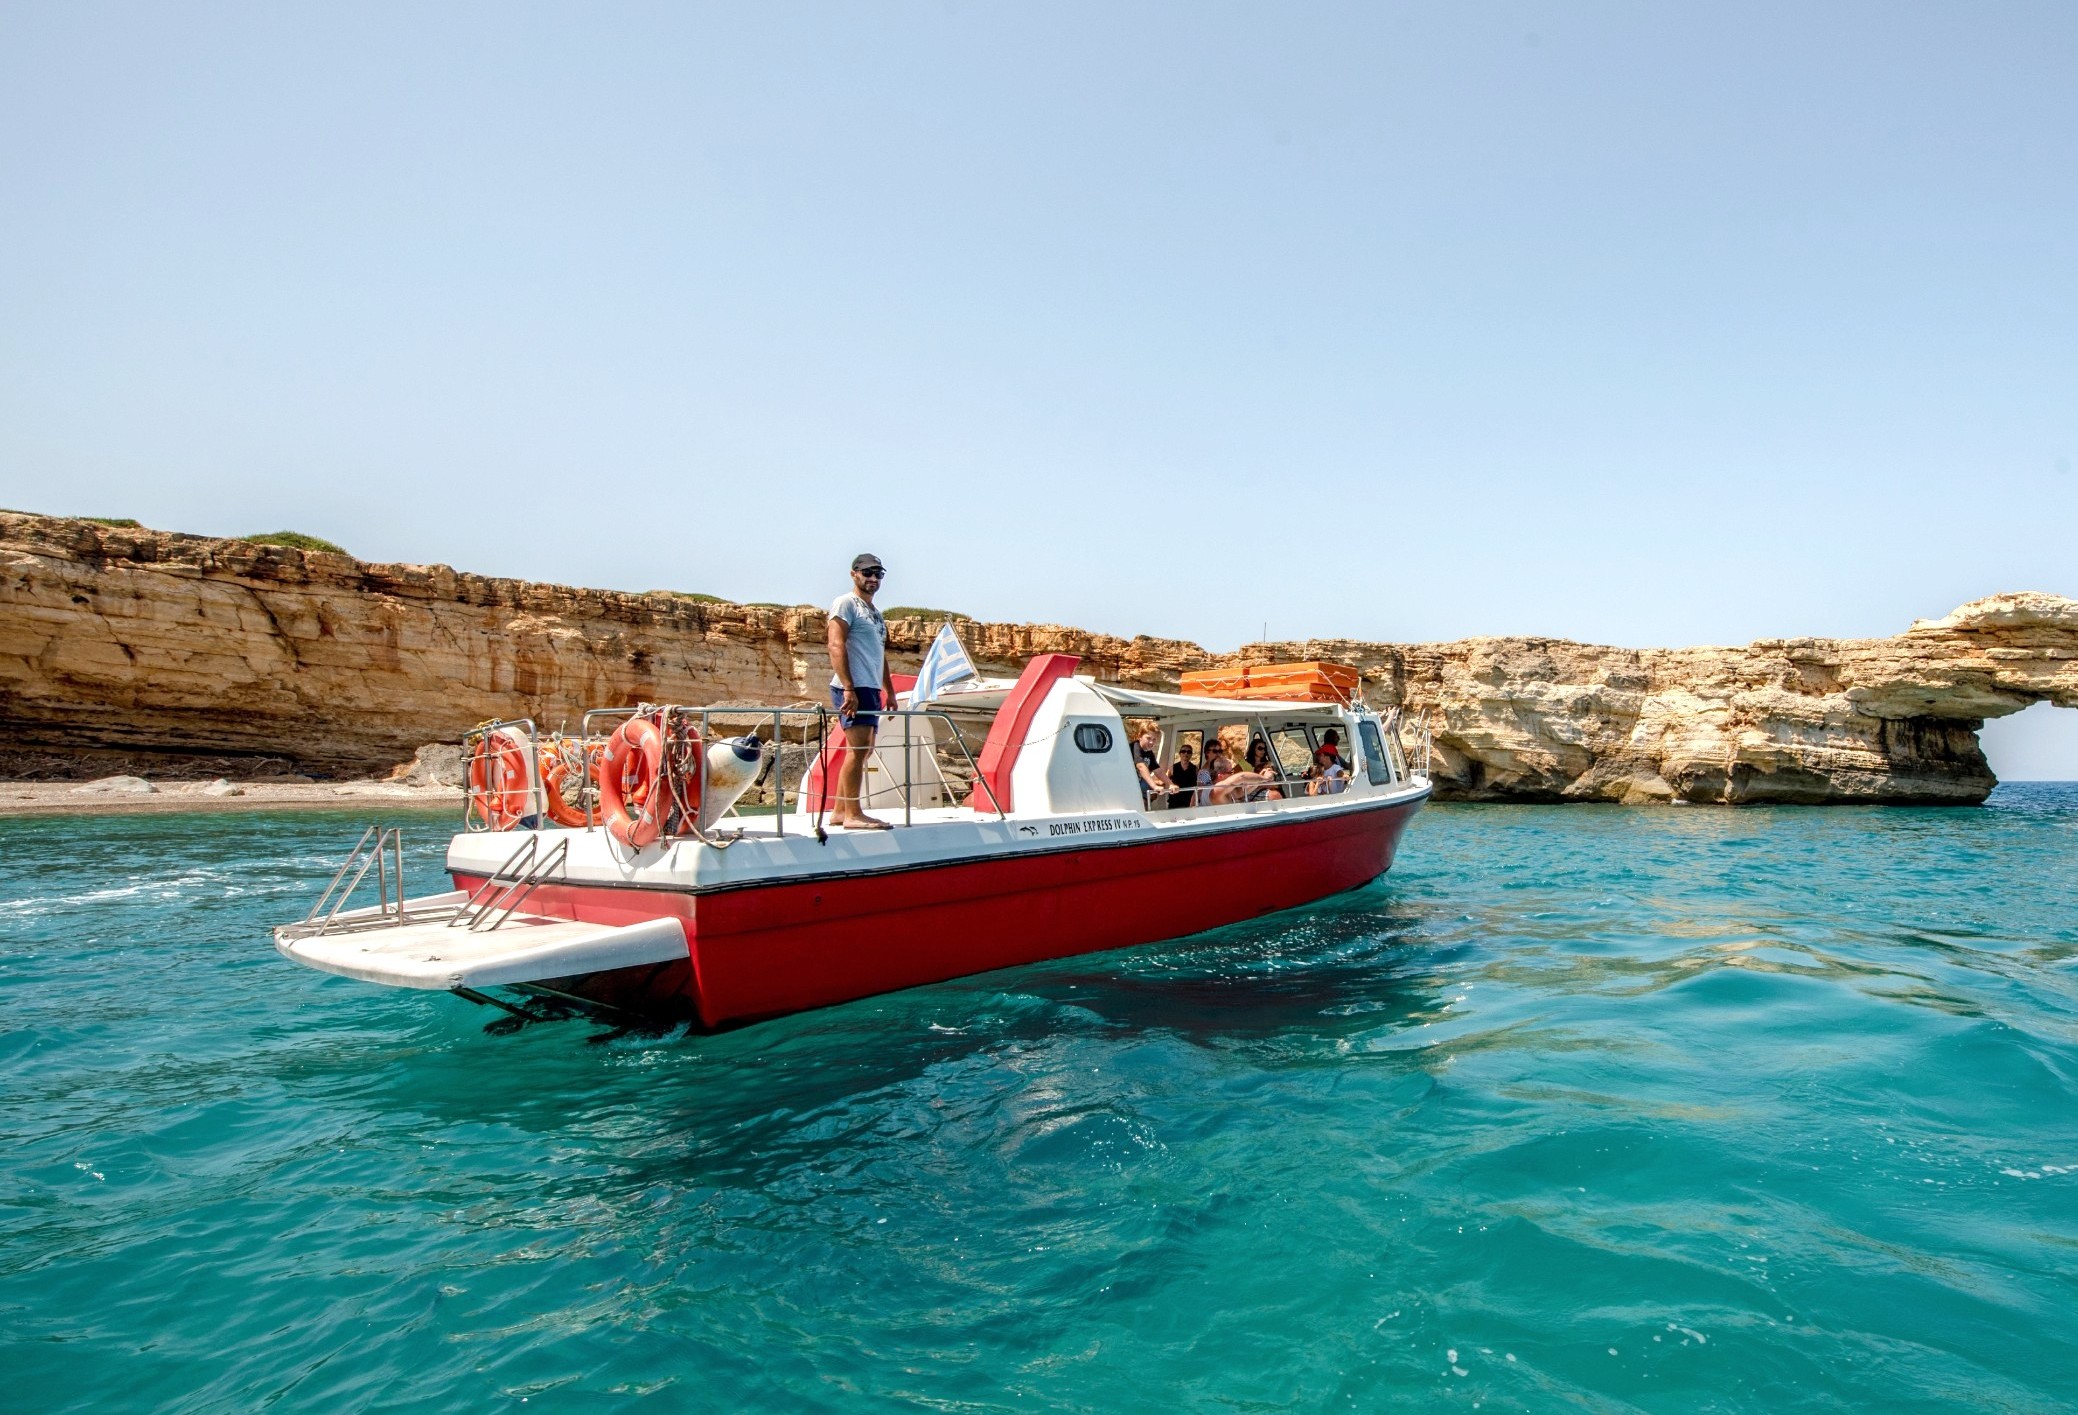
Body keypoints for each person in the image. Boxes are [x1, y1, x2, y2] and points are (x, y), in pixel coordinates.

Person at [827, 553, 897, 829]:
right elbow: (835, 644)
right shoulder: (846, 604)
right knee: (857, 750)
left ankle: (840, 810)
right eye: (867, 573)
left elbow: (879, 654)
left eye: (878, 574)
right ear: (854, 574)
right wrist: (848, 687)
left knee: (865, 750)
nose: (873, 579)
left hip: (870, 688)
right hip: (853, 687)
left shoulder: (875, 614)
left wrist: (889, 691)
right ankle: (853, 815)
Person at [1130, 727, 1170, 806]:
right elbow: (1141, 766)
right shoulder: (1135, 747)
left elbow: (1157, 770)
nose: (1151, 742)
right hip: (1129, 789)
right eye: (1148, 738)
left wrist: (1170, 784)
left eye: (1154, 739)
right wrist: (1154, 786)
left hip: (1140, 787)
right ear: (1139, 736)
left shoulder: (1149, 752)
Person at [1166, 742, 1202, 810]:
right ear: (1180, 753)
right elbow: (1165, 778)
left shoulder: (1195, 769)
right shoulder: (1172, 768)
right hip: (1174, 801)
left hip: (1189, 802)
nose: (1186, 753)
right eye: (1183, 751)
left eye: (1188, 752)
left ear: (1191, 754)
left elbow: (1200, 785)